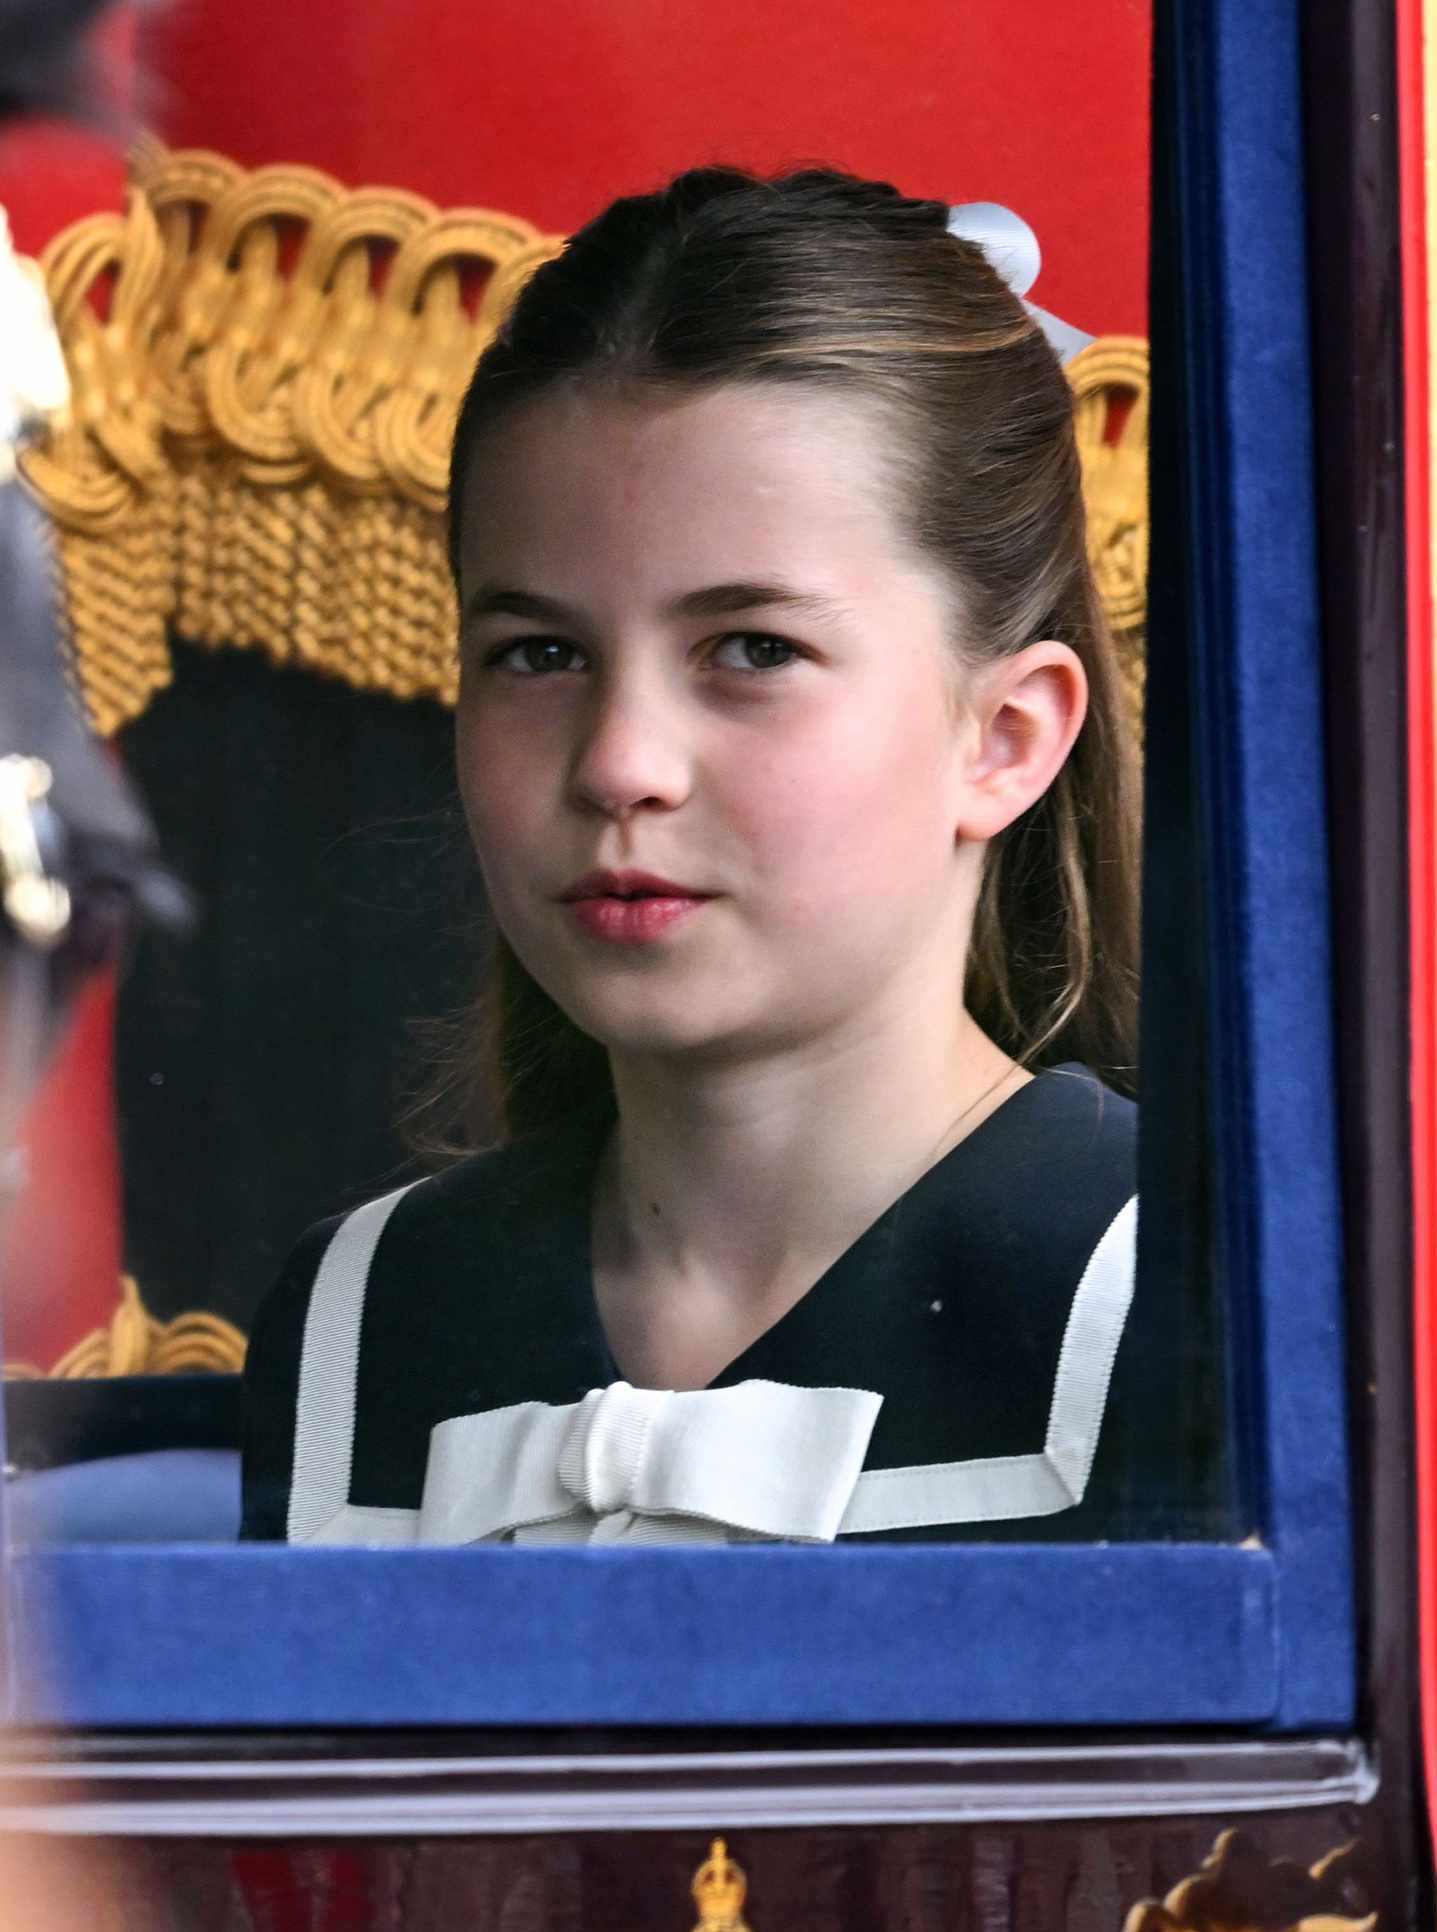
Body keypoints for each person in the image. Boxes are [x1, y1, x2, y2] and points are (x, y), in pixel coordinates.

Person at [241, 163, 1211, 1547]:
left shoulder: (1193, 1307)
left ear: (1003, 735)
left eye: (753, 649)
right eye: (539, 653)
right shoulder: (361, 1321)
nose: (620, 761)